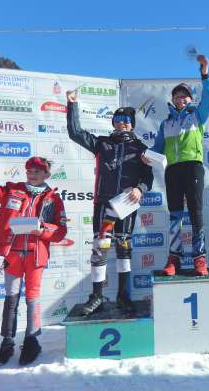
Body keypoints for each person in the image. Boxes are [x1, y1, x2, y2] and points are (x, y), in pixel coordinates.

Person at [0, 149, 67, 366]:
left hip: (36, 256)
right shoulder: (11, 190)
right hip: (12, 254)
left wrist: (41, 229)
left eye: (37, 171)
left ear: (46, 175)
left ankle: (32, 340)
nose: (31, 174)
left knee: (32, 299)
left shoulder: (53, 198)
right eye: (29, 170)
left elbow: (60, 231)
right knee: (11, 298)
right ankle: (7, 342)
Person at [67, 91, 153, 315]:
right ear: (113, 123)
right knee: (100, 248)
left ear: (131, 125)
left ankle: (123, 295)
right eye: (117, 120)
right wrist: (72, 105)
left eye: (126, 121)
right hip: (105, 203)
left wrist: (139, 189)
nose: (122, 123)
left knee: (124, 247)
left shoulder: (141, 148)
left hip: (126, 203)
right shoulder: (101, 143)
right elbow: (75, 133)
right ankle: (96, 297)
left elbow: (148, 178)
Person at [143, 55, 209, 276]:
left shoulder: (197, 117)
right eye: (177, 96)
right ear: (173, 100)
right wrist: (148, 156)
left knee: (195, 212)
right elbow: (157, 146)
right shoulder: (166, 123)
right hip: (172, 170)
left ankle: (199, 258)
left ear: (190, 99)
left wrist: (205, 73)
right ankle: (174, 258)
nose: (181, 99)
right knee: (175, 214)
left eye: (184, 96)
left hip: (193, 167)